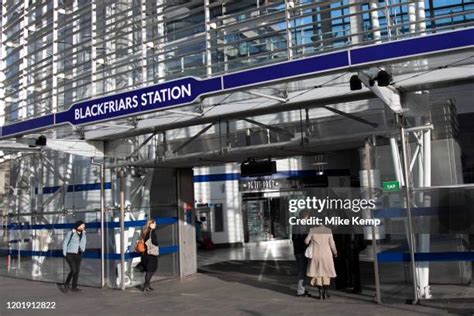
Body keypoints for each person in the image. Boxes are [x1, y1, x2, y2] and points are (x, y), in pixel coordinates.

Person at [305, 224, 337, 300]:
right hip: (327, 255)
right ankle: (325, 293)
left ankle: (320, 294)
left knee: (317, 274)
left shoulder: (312, 230)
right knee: (326, 274)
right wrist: (335, 252)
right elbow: (332, 244)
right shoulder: (328, 230)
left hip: (316, 255)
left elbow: (306, 241)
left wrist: (312, 242)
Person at [62, 220, 86, 292]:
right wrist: (64, 253)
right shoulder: (71, 233)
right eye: (82, 225)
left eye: (84, 226)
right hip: (69, 253)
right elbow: (65, 242)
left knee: (77, 271)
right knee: (73, 270)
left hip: (78, 254)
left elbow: (83, 242)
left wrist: (83, 249)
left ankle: (74, 287)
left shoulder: (83, 234)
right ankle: (66, 284)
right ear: (78, 226)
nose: (83, 227)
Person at [291, 210, 310, 297]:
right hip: (301, 251)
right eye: (307, 217)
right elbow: (304, 240)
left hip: (297, 251)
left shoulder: (295, 225)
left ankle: (302, 288)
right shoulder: (302, 226)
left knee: (301, 270)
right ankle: (300, 290)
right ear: (305, 217)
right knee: (302, 271)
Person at [141, 219, 159, 292]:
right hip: (151, 253)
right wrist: (156, 244)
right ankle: (146, 285)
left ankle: (148, 285)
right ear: (151, 224)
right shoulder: (152, 232)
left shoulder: (145, 231)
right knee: (151, 270)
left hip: (146, 253)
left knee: (150, 269)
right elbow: (154, 242)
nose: (155, 225)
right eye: (154, 223)